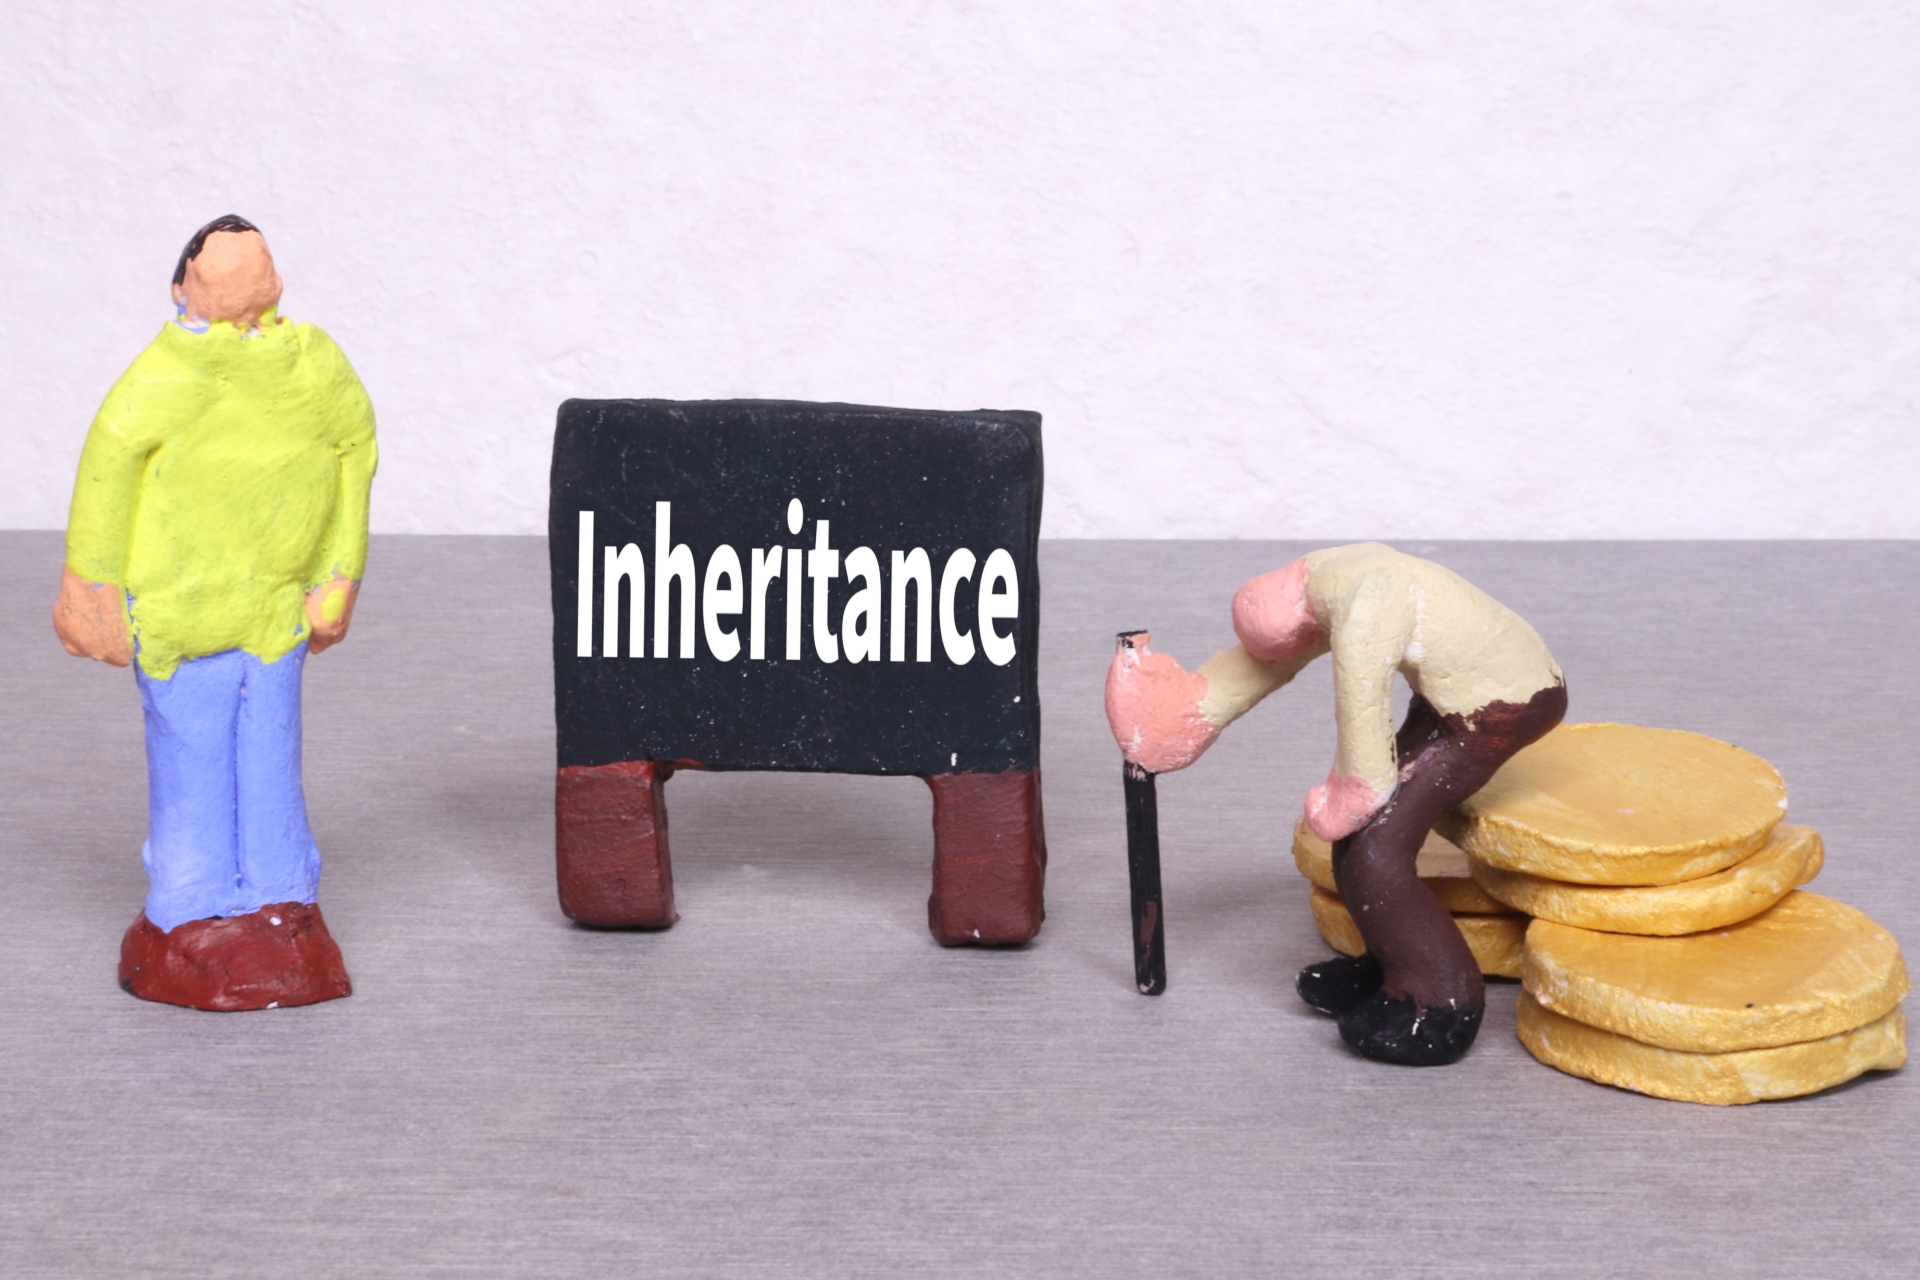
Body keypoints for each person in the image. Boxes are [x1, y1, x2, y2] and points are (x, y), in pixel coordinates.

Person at [54, 215, 377, 1010]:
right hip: (181, 615)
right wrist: (91, 592)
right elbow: (106, 480)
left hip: (273, 610)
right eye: (219, 273)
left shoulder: (314, 365)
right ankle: (190, 906)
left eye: (254, 271)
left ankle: (279, 898)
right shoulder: (159, 379)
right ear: (181, 288)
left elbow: (353, 453)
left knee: (269, 751)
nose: (239, 289)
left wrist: (339, 577)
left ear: (276, 284)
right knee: (192, 753)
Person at [1104, 543, 1565, 1064]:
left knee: (1375, 850)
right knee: (1365, 842)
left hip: (1502, 706)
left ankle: (1438, 1004)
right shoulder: (1325, 579)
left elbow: (1361, 701)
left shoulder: (1365, 600)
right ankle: (1392, 963)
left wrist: (1355, 791)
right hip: (1458, 695)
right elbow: (1267, 661)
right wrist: (1179, 721)